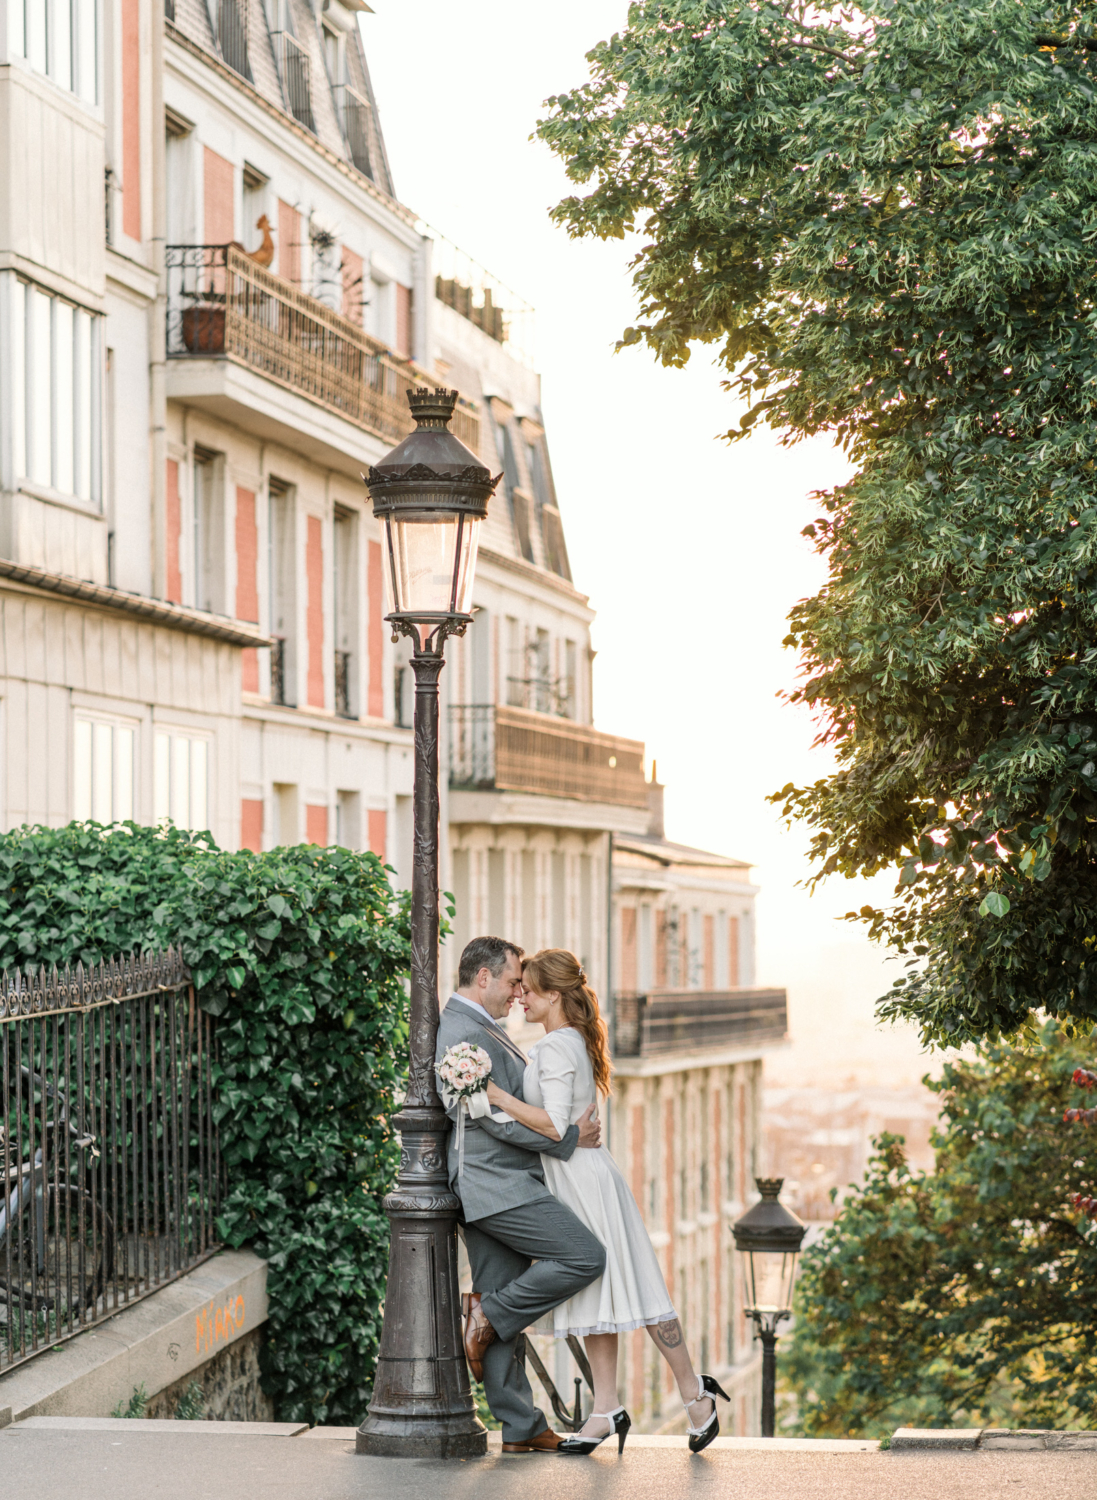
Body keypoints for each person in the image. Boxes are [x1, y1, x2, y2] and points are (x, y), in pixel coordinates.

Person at [485, 947, 729, 1456]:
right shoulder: (568, 1039)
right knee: (605, 1296)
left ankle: (693, 1395)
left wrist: (499, 1098)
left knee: (635, 1289)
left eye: (528, 988)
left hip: (579, 1178)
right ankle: (608, 1408)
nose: (520, 996)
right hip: (582, 1174)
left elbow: (554, 1124)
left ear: (553, 994)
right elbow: (564, 1122)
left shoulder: (554, 1047)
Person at [435, 936, 606, 1454]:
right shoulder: (460, 1034)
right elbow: (495, 1122)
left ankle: (522, 1427)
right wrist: (569, 1138)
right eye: (512, 981)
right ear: (482, 977)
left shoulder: (482, 1029)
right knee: (583, 1256)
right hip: (495, 1183)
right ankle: (485, 1319)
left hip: (500, 1182)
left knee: (499, 1290)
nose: (517, 993)